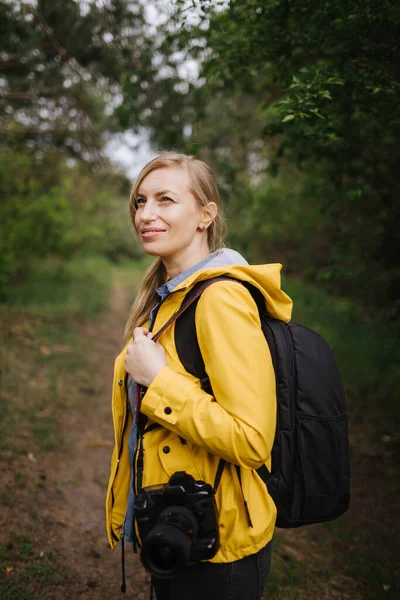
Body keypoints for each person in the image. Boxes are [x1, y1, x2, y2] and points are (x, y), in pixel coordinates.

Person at [105, 152, 292, 600]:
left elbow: (251, 439)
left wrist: (162, 380)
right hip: (179, 526)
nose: (146, 214)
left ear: (206, 215)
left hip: (220, 547)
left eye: (166, 200)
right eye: (140, 201)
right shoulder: (169, 297)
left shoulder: (220, 300)